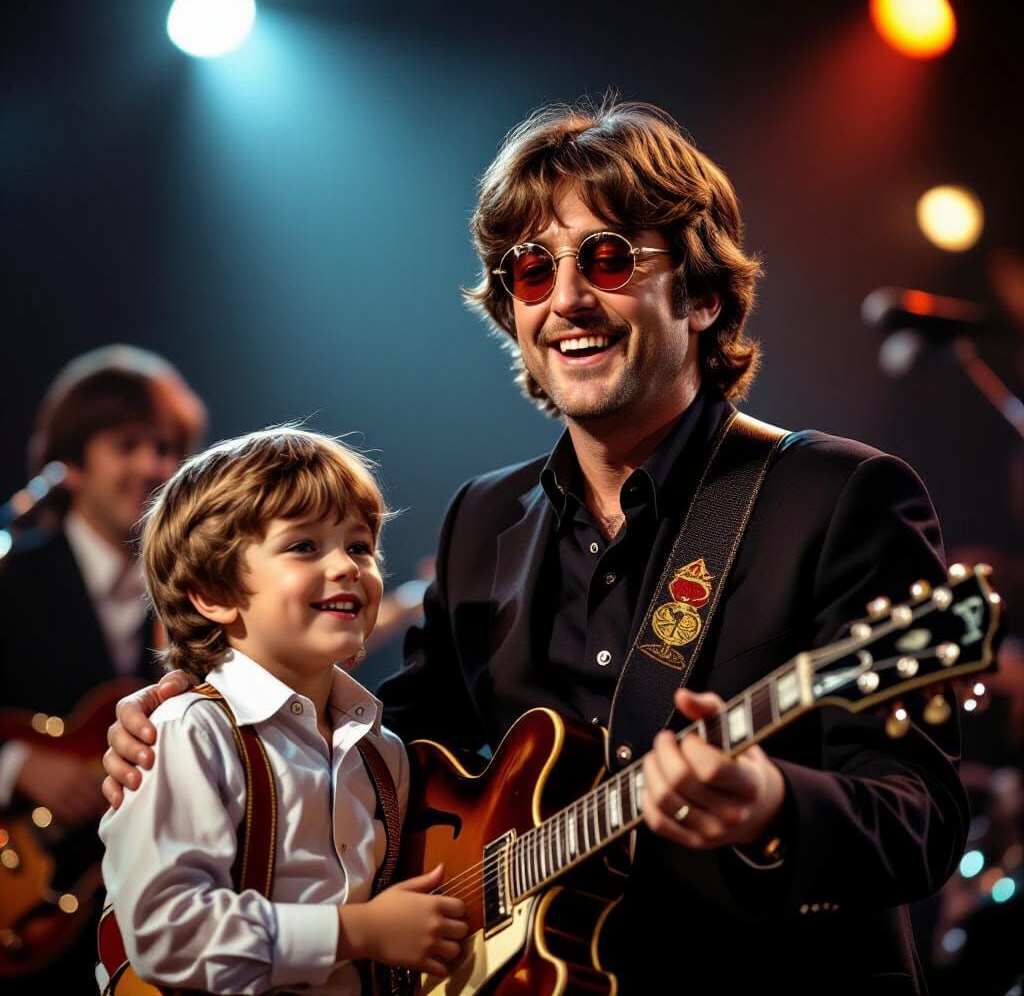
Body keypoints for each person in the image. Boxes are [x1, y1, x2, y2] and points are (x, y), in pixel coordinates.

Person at [102, 100, 970, 994]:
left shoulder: (837, 498)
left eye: (609, 258)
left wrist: (771, 808)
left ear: (703, 295)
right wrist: (207, 716)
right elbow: (389, 751)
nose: (566, 298)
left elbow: (923, 820)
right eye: (529, 270)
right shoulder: (484, 517)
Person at [99, 427, 468, 994]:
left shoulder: (382, 753)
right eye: (304, 546)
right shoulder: (187, 732)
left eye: (360, 545)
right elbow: (167, 933)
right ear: (213, 594)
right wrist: (357, 931)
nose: (347, 566)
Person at [0, 344, 206, 989]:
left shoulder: (198, 595)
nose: (154, 466)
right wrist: (18, 766)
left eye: (168, 448)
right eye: (128, 444)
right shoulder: (12, 579)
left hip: (135, 918)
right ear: (71, 465)